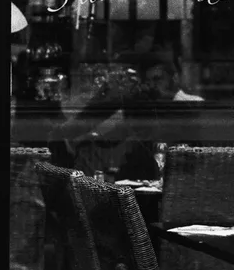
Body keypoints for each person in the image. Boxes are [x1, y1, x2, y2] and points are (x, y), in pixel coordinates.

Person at [52, 49, 204, 180]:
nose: (152, 85)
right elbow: (114, 136)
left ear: (174, 78)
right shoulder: (147, 107)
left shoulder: (192, 104)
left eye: (158, 79)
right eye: (149, 81)